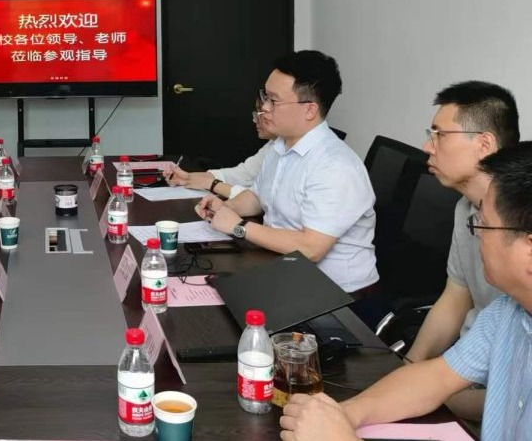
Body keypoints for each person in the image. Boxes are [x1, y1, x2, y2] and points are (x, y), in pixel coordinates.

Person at [279, 142, 532, 441]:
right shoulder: (508, 311)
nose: (475, 236)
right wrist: (343, 414)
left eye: (483, 225)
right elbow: (435, 378)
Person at [195, 51, 378, 294]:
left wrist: (239, 227)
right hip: (282, 269)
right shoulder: (280, 146)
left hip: (336, 294)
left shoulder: (335, 166)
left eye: (273, 100)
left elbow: (311, 248)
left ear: (309, 110)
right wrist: (225, 208)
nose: (264, 108)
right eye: (265, 96)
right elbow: (258, 196)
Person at [405, 81, 517, 419]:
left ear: (484, 144)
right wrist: (410, 367)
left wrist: (436, 394)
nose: (428, 146)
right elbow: (456, 296)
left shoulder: (519, 224)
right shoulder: (464, 208)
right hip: (465, 372)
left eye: (440, 135)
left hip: (502, 395)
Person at [165, 102, 273, 199]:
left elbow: (257, 200)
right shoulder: (272, 146)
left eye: (261, 113)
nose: (254, 120)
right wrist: (190, 178)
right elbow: (244, 173)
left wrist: (212, 184)